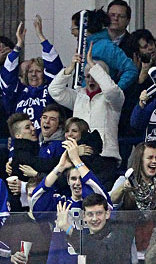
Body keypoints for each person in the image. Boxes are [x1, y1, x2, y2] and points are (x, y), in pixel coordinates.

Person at [49, 43, 125, 189]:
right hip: (80, 156)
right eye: (88, 76)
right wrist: (71, 68)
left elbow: (109, 89)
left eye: (95, 76)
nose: (91, 80)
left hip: (105, 158)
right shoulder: (79, 96)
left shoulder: (114, 99)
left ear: (104, 77)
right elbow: (54, 91)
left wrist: (92, 64)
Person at [0, 16, 64, 132]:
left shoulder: (50, 91)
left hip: (44, 141)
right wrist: (18, 45)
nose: (33, 74)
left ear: (44, 73)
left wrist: (41, 36)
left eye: (38, 71)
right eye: (30, 71)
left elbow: (55, 69)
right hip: (22, 141)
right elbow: (7, 78)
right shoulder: (19, 92)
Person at [75, 8, 138, 91]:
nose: (73, 32)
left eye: (75, 28)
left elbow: (131, 69)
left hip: (102, 100)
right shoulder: (85, 46)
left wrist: (114, 91)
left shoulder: (106, 47)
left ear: (84, 28)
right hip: (85, 98)